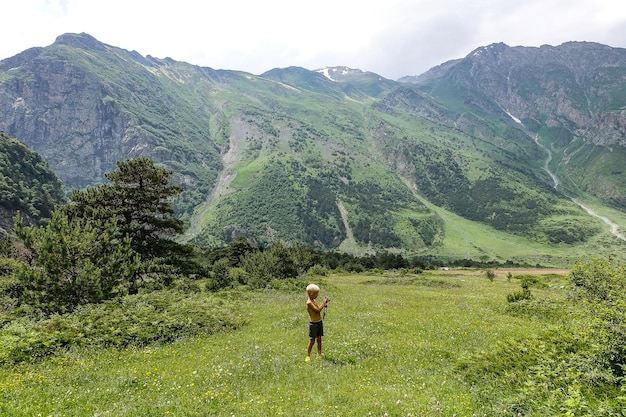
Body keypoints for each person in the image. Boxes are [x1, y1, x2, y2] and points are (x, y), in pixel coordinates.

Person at [305, 283, 330, 362]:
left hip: (319, 322)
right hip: (313, 324)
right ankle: (308, 356)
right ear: (311, 294)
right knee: (312, 340)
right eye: (316, 294)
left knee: (319, 339)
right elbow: (318, 310)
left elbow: (319, 309)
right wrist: (323, 302)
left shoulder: (313, 300)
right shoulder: (309, 303)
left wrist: (325, 303)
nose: (317, 295)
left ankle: (319, 354)